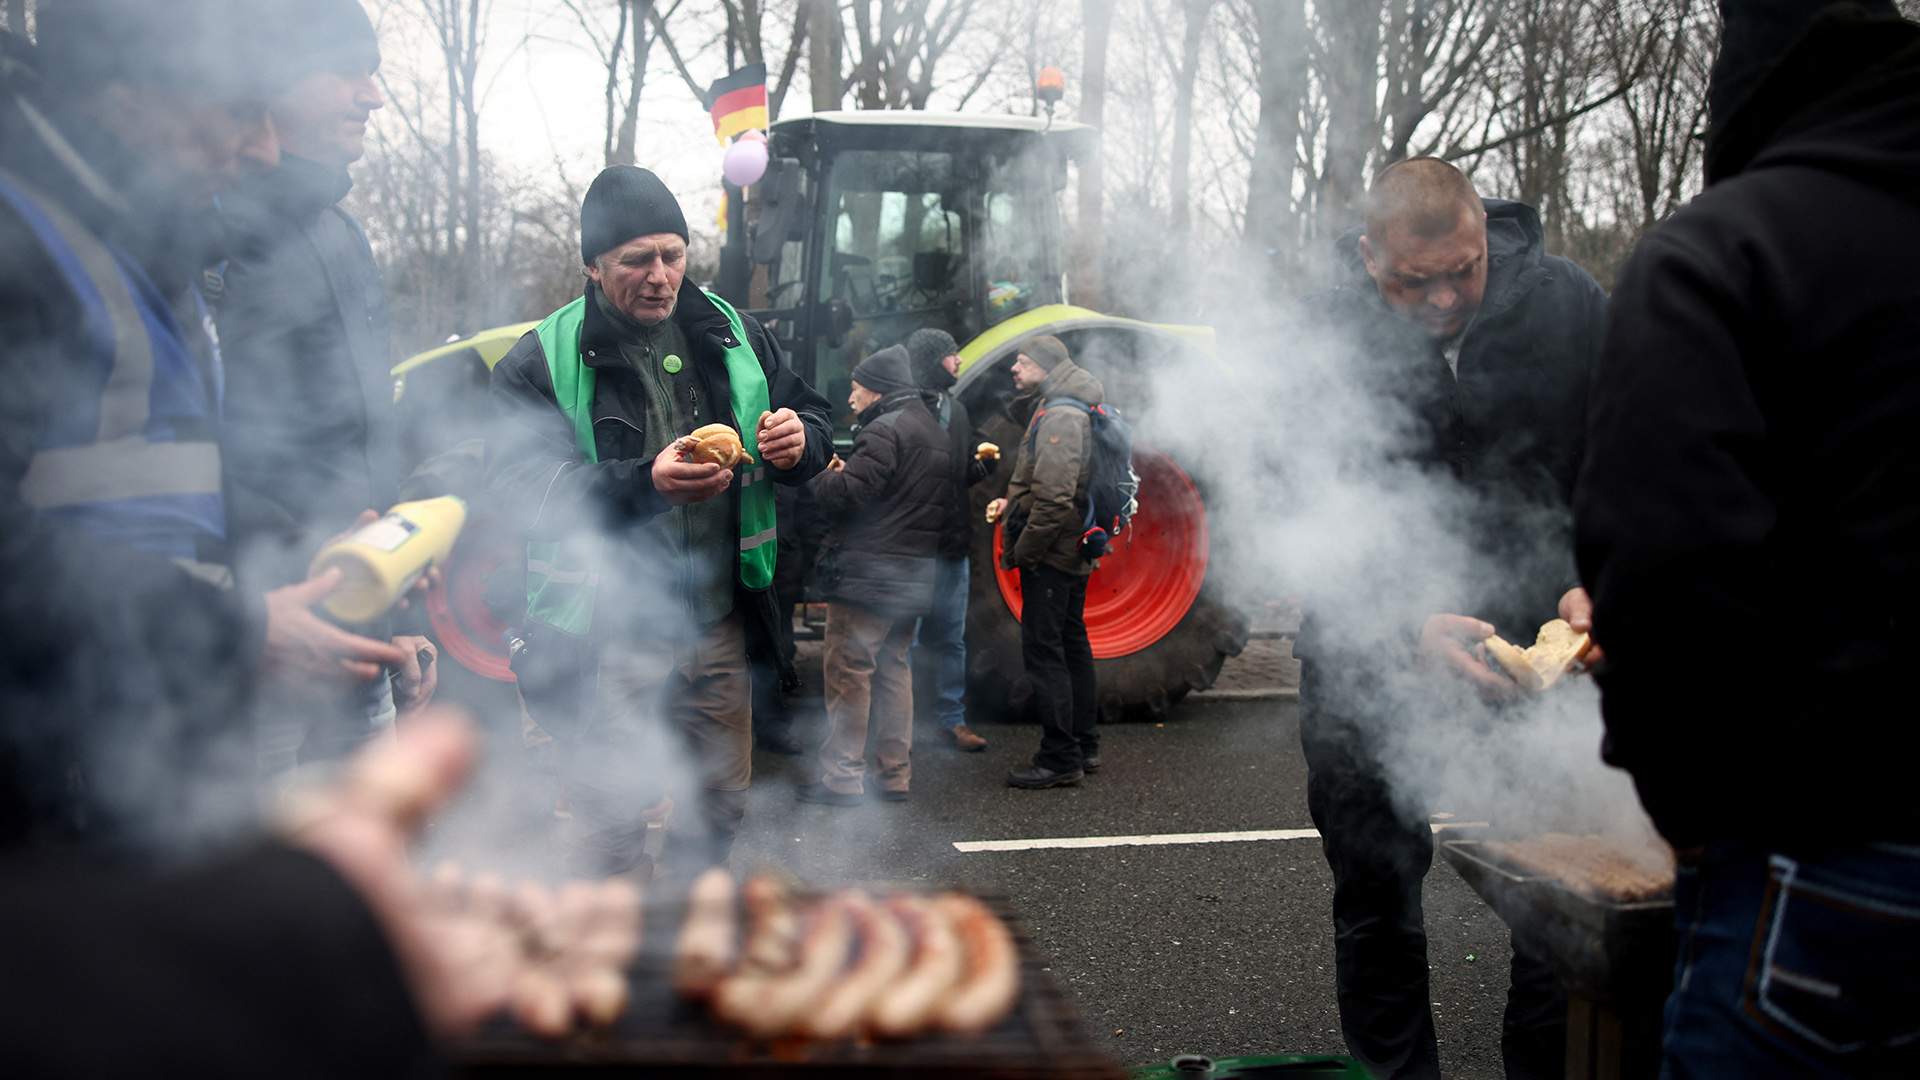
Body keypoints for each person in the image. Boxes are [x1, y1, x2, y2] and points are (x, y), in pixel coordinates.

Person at [1575, 2, 1920, 1075]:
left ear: (1745, 92)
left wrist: (1693, 817)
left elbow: (1667, 580)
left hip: (1826, 867)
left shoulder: (1721, 253)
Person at [0, 0, 408, 852]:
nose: (263, 149)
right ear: (127, 92)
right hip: (42, 802)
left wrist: (315, 562)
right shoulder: (21, 237)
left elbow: (168, 482)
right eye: (238, 111)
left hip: (138, 762)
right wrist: (233, 630)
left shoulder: (145, 248)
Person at [1296, 158, 1606, 1080]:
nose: (1440, 300)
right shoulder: (1322, 333)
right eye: (1411, 282)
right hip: (1369, 647)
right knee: (1376, 894)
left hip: (1534, 647)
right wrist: (1399, 624)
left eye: (1460, 272)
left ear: (1484, 237)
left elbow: (1628, 464)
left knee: (1556, 892)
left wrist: (1600, 581)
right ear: (1367, 258)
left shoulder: (1569, 308)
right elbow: (1293, 508)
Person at [488, 165, 830, 875]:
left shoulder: (736, 333)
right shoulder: (540, 359)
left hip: (718, 623)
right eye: (636, 260)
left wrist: (805, 441)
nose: (659, 276)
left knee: (721, 801)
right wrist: (646, 483)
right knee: (610, 813)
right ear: (591, 265)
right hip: (607, 636)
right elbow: (517, 488)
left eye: (672, 255)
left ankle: (681, 927)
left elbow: (815, 412)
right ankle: (612, 947)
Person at [217, 0, 437, 775]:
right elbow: (199, 450)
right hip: (260, 652)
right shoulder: (211, 228)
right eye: (347, 72)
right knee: (256, 884)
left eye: (373, 74)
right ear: (272, 82)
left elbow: (359, 445)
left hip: (357, 635)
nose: (372, 96)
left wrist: (394, 609)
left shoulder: (342, 232)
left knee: (353, 872)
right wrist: (250, 610)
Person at [800, 345, 954, 805]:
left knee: (850, 672)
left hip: (868, 575)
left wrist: (820, 473)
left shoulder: (884, 430)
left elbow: (850, 495)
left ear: (877, 390)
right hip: (911, 576)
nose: (850, 399)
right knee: (893, 670)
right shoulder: (932, 429)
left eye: (855, 388)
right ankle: (894, 775)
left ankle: (842, 778)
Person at [985, 335, 1104, 790]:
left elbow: (1054, 498)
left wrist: (1025, 552)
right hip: (1068, 548)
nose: (1014, 368)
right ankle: (1084, 744)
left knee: (1046, 651)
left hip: (1053, 553)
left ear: (1046, 365)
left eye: (1022, 361)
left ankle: (1059, 757)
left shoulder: (1060, 415)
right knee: (1072, 643)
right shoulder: (1065, 406)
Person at [904, 327, 997, 752]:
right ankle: (902, 724)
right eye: (951, 355)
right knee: (905, 639)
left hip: (952, 547)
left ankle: (950, 719)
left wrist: (983, 464)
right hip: (913, 549)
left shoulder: (956, 411)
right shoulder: (903, 413)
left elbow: (961, 469)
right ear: (931, 361)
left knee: (950, 639)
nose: (958, 362)